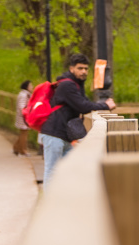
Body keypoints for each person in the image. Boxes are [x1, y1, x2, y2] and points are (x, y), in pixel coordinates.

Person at [37, 54, 115, 182]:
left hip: (64, 135)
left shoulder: (76, 84)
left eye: (86, 68)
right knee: (52, 170)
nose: (84, 71)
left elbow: (84, 103)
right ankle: (49, 200)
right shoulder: (68, 85)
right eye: (80, 68)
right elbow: (83, 106)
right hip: (54, 133)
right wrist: (105, 105)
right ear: (71, 68)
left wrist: (101, 105)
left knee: (70, 169)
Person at [13, 80, 31, 156]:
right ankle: (23, 150)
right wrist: (26, 112)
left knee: (22, 134)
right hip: (23, 117)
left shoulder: (24, 94)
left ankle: (16, 148)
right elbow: (22, 106)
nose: (31, 87)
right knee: (24, 134)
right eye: (30, 86)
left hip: (22, 117)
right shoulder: (24, 95)